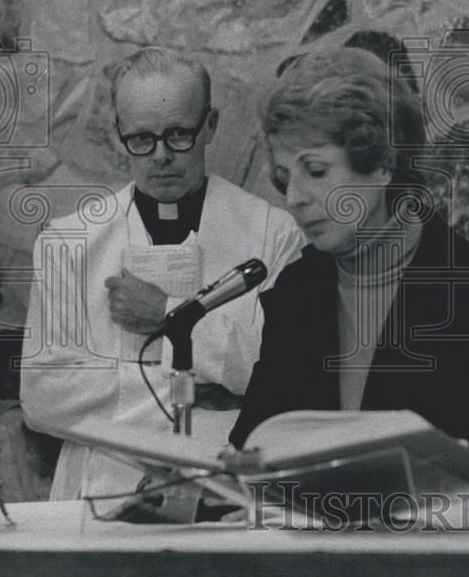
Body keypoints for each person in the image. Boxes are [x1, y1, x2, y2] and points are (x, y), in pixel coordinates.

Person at [20, 48, 305, 500]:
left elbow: (285, 376)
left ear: (209, 126)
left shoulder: (273, 234)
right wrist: (199, 388)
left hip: (228, 487)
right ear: (118, 135)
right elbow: (44, 397)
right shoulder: (67, 242)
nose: (160, 156)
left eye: (178, 135)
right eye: (141, 139)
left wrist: (166, 316)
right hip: (99, 487)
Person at [228, 46, 469, 460]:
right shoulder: (297, 288)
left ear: (382, 163)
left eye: (317, 171)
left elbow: (454, 471)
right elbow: (253, 444)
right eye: (284, 176)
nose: (293, 197)